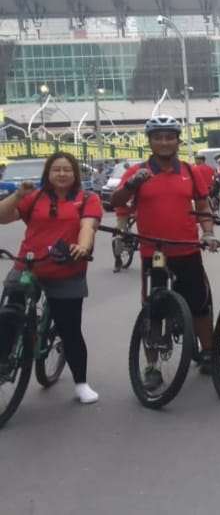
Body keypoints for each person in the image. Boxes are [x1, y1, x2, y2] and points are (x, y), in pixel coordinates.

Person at [111, 115, 220, 381]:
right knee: (153, 310)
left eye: (169, 137)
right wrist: (131, 184)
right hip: (154, 252)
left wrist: (207, 233)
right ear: (149, 141)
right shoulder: (136, 171)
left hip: (187, 249)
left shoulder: (189, 170)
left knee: (200, 304)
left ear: (177, 141)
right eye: (158, 137)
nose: (164, 142)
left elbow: (203, 206)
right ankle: (152, 367)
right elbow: (116, 201)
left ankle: (208, 354)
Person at [0, 152, 102, 404]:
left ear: (75, 173)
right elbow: (2, 217)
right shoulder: (33, 197)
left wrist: (82, 248)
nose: (62, 174)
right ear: (48, 173)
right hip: (28, 264)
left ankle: (81, 383)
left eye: (67, 169)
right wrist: (17, 196)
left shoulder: (87, 198)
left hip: (66, 268)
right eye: (56, 169)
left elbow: (87, 227)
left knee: (70, 330)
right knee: (7, 319)